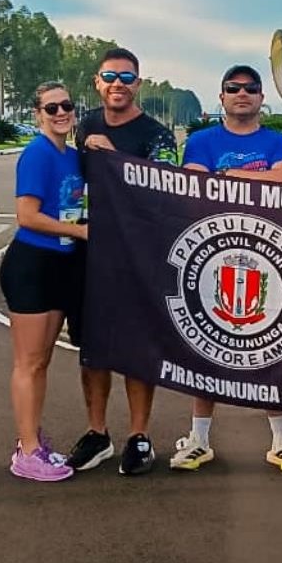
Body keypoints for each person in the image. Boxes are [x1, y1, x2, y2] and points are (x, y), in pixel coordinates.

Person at [174, 65, 282, 474]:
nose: (242, 94)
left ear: (261, 97)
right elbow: (195, 184)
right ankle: (198, 438)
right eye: (233, 88)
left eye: (250, 88)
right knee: (206, 343)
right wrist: (254, 179)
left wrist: (228, 175)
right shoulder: (201, 141)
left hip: (267, 254)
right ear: (222, 97)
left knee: (272, 345)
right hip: (212, 252)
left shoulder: (280, 141)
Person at [65, 47, 178, 477]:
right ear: (97, 82)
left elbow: (168, 190)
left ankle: (139, 435)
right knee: (92, 347)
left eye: (127, 78)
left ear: (138, 84)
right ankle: (97, 432)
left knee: (136, 346)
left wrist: (114, 156)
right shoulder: (84, 126)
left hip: (137, 254)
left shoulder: (156, 135)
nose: (118, 85)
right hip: (88, 250)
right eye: (110, 76)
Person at [0, 82, 86, 482]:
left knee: (41, 361)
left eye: (66, 105)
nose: (60, 113)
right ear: (38, 114)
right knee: (29, 362)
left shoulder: (71, 155)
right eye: (51, 108)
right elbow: (27, 215)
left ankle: (33, 439)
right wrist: (80, 231)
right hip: (32, 264)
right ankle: (27, 450)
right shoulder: (37, 153)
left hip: (61, 263)